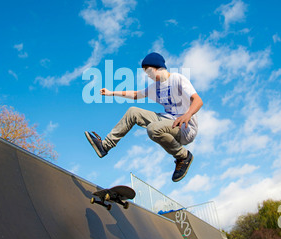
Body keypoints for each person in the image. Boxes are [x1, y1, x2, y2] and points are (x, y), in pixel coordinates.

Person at [85, 52, 203, 182]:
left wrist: (188, 114)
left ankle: (183, 156)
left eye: (149, 72)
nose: (149, 76)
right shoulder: (155, 87)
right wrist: (111, 93)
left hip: (186, 129)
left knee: (153, 128)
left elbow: (198, 100)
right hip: (168, 121)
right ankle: (105, 146)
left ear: (158, 67)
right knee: (133, 112)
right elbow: (135, 95)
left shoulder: (177, 79)